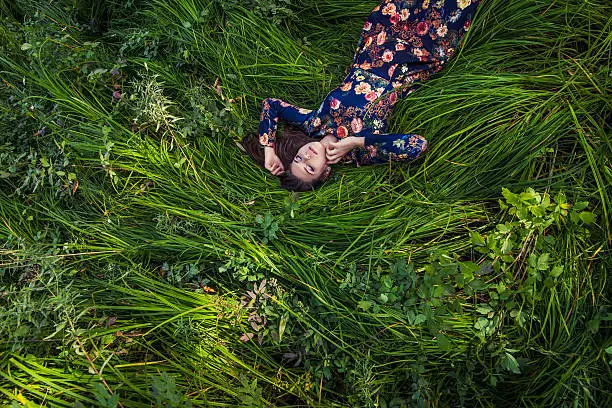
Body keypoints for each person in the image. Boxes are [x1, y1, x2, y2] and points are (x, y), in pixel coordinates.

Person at [243, 0, 481, 191]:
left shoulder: (313, 123)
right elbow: (417, 146)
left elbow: (270, 105)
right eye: (309, 168)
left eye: (298, 159)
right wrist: (357, 141)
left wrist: (269, 150)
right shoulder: (360, 154)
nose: (306, 157)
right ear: (325, 172)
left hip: (380, 40)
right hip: (414, 60)